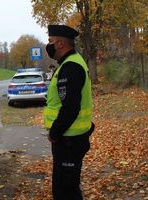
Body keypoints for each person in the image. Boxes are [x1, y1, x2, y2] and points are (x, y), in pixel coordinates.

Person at [43, 24, 95, 200]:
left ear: (60, 44)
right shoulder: (71, 63)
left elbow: (71, 107)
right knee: (67, 187)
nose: (48, 45)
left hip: (68, 140)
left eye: (50, 41)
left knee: (65, 191)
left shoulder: (71, 66)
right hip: (71, 138)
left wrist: (54, 133)